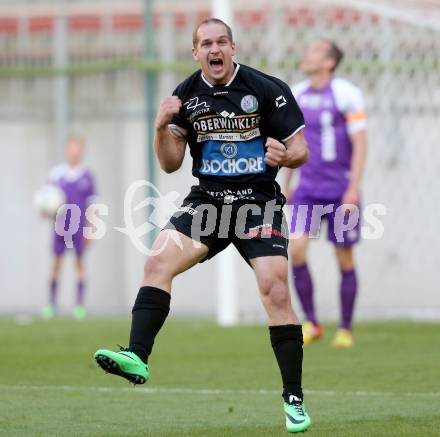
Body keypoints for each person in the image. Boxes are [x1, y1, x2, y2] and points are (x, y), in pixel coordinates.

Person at [94, 18, 311, 433]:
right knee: (157, 261)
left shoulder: (267, 89)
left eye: (222, 42)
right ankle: (138, 355)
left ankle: (293, 399)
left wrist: (284, 157)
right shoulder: (186, 95)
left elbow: (301, 148)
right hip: (208, 201)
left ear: (233, 47)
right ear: (195, 53)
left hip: (257, 204)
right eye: (206, 44)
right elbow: (170, 162)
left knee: (275, 289)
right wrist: (160, 125)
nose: (215, 49)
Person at [283, 39, 367, 348]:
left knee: (343, 256)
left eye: (315, 50)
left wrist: (353, 188)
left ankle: (345, 328)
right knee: (297, 248)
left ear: (330, 61)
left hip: (340, 190)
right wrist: (287, 183)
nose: (307, 52)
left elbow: (360, 143)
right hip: (307, 190)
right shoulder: (296, 94)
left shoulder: (347, 94)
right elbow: (293, 143)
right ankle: (312, 323)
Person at [41, 135, 97, 320]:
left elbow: (92, 206)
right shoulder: (56, 174)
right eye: (70, 148)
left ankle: (79, 306)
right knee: (56, 263)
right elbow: (47, 200)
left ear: (81, 151)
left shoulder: (87, 176)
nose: (73, 151)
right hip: (60, 226)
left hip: (79, 226)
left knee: (80, 263)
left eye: (76, 148)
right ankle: (51, 304)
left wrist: (90, 230)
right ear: (66, 150)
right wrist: (45, 210)